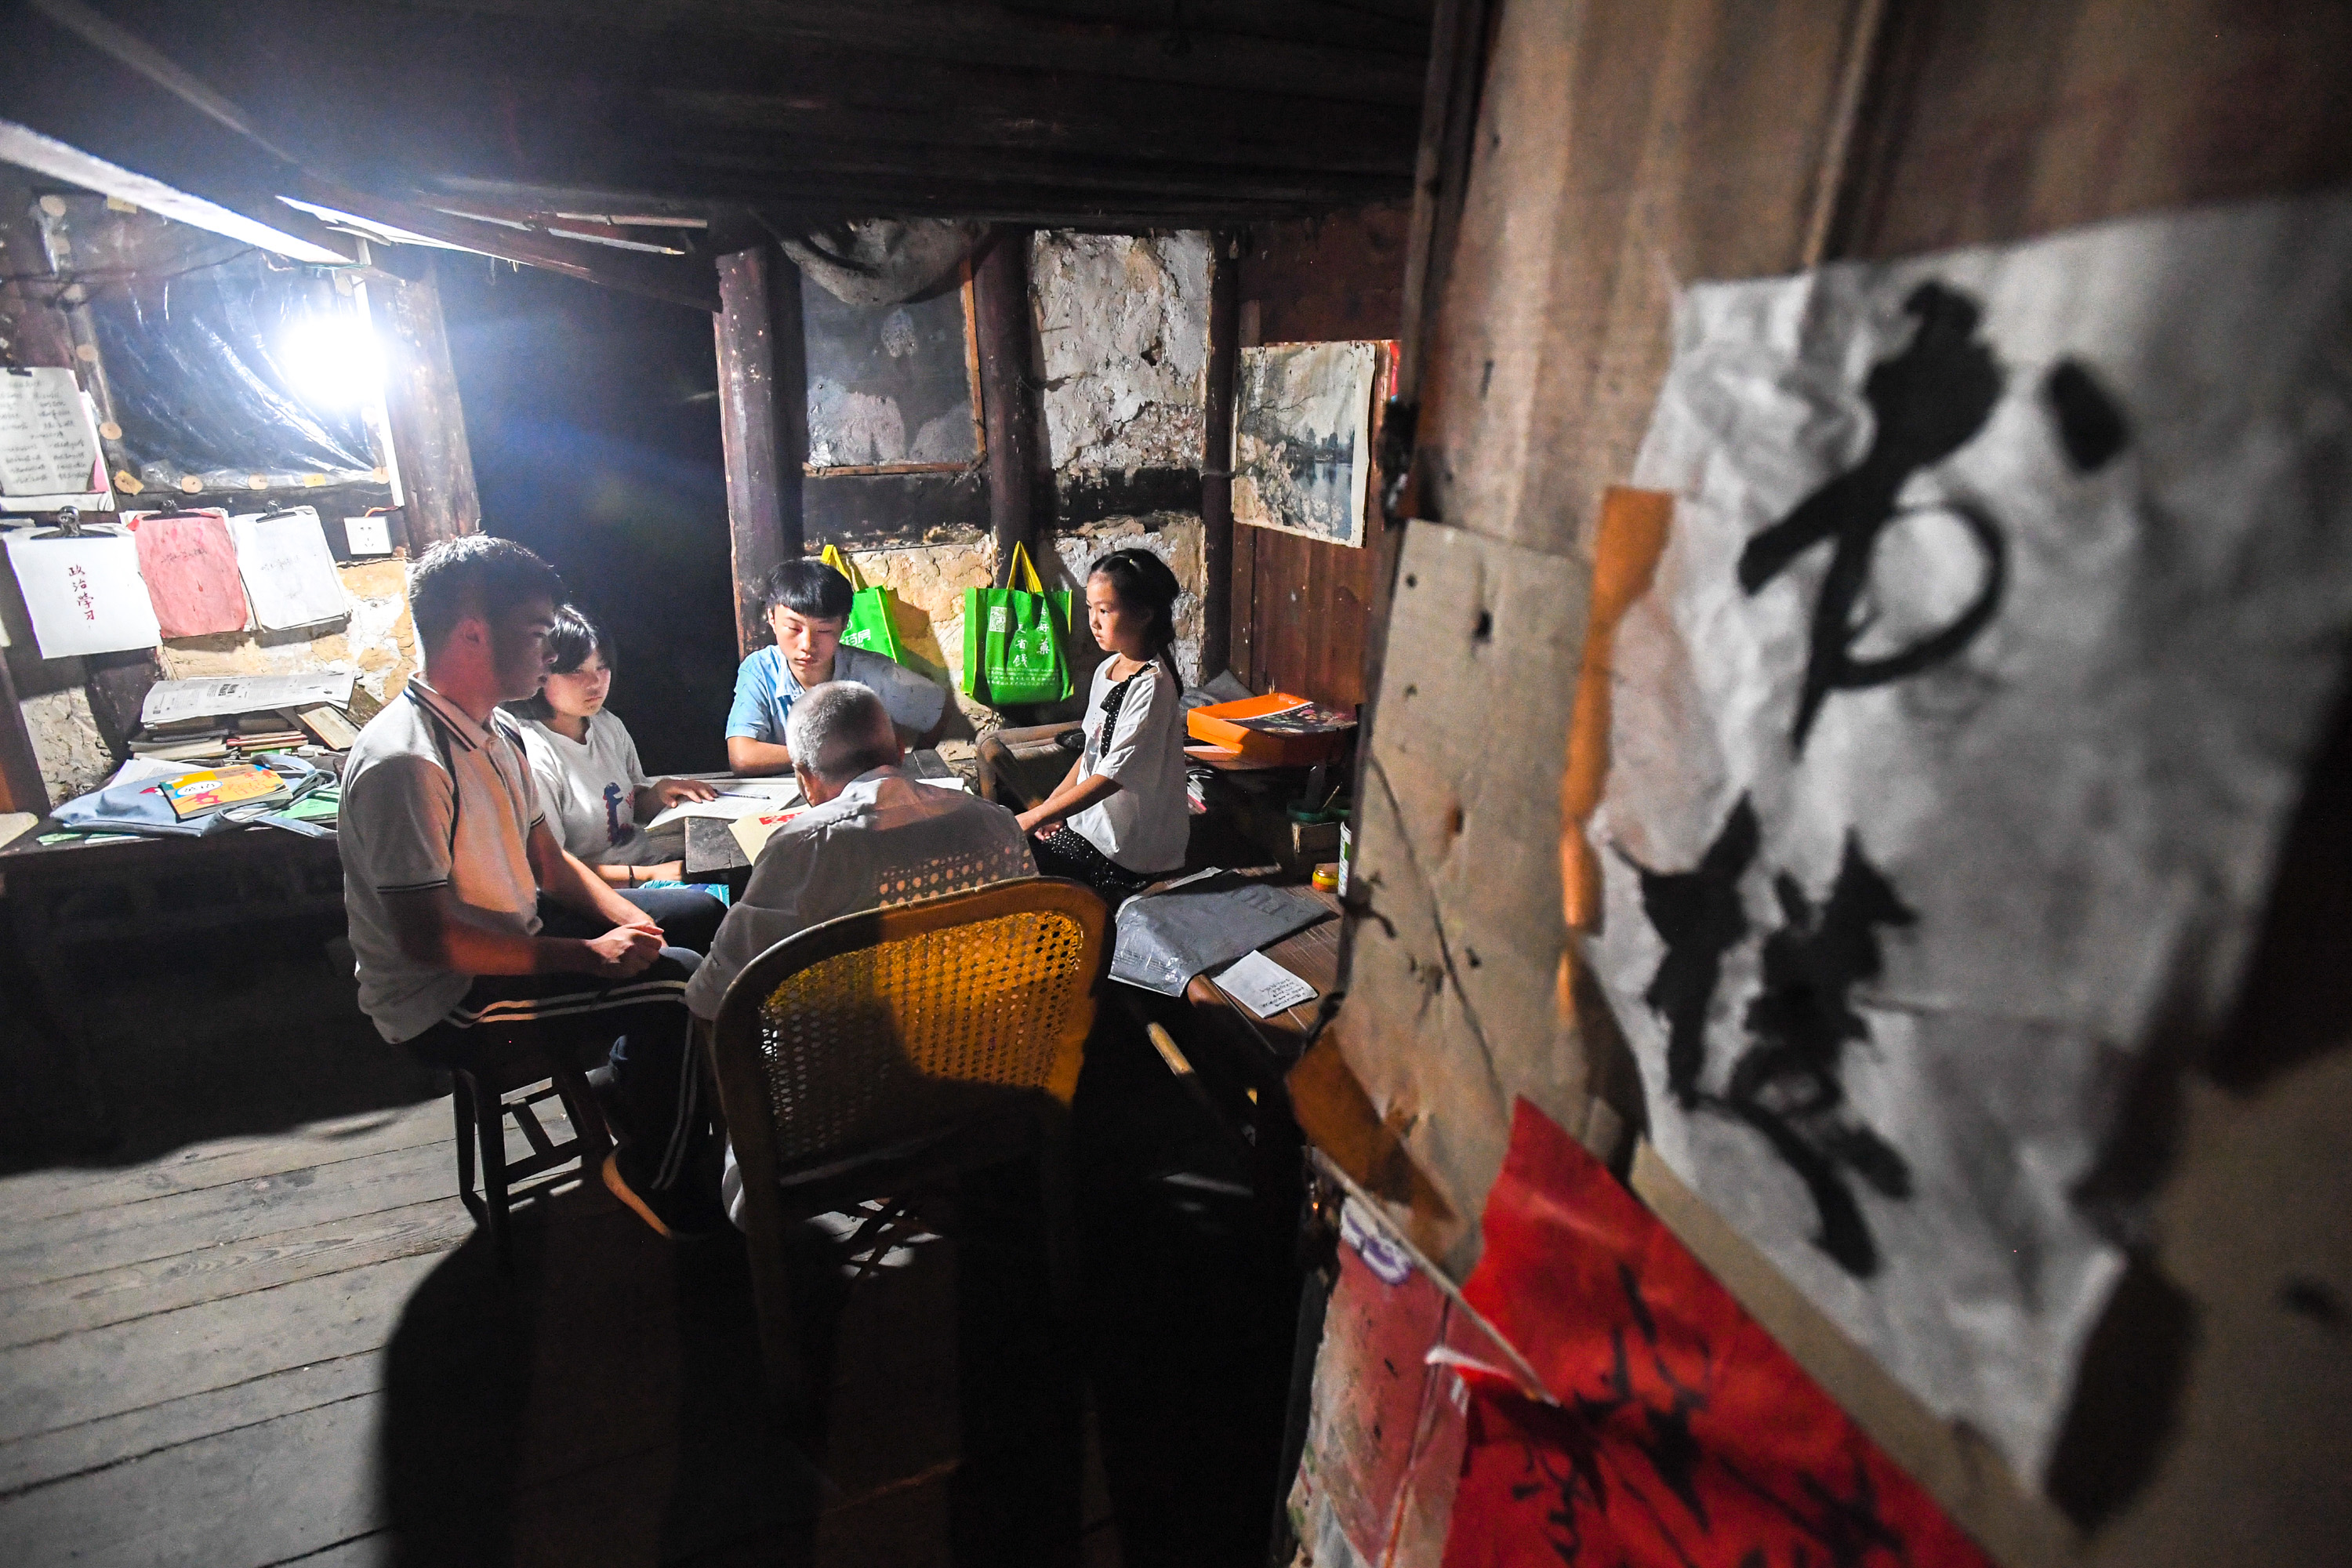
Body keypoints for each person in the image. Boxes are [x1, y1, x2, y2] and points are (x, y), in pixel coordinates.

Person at [339, 535, 724, 1240]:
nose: (551, 652)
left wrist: (632, 924)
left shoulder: (499, 734)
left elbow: (548, 861)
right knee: (677, 986)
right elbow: (430, 942)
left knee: (695, 914)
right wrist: (590, 956)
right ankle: (658, 1175)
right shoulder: (407, 762)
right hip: (447, 998)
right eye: (538, 632)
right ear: (472, 633)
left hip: (515, 935)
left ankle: (641, 1087)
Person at [684, 681, 1036, 1228]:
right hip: (984, 1089)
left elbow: (713, 999)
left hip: (834, 1125)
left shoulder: (805, 849)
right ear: (898, 748)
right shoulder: (994, 824)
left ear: (805, 779)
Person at [507, 604, 727, 953]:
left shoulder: (606, 725)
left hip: (647, 863)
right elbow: (551, 872)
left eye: (602, 666)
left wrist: (659, 793)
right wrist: (648, 876)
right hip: (599, 891)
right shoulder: (534, 753)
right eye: (576, 670)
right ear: (542, 670)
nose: (595, 682)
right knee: (706, 910)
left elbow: (624, 807)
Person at [1015, 548, 1191, 898]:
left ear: (1143, 614)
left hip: (1129, 851)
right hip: (1092, 826)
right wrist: (1049, 809)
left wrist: (1034, 818)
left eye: (1105, 610)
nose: (1093, 622)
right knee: (1021, 862)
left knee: (1033, 881)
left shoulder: (1151, 686)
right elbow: (1092, 752)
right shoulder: (1107, 669)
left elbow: (1111, 776)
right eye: (1090, 609)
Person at [724, 557, 948, 776]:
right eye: (794, 629)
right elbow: (743, 757)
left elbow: (937, 708)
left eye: (824, 631)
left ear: (844, 626)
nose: (807, 645)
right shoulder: (760, 670)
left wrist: (916, 763)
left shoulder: (872, 672)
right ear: (772, 618)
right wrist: (838, 757)